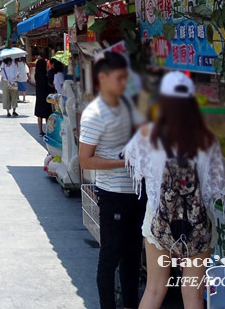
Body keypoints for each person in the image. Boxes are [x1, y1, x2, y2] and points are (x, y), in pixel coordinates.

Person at [125, 71, 225, 309]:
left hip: (158, 218)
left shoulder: (146, 135)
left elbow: (133, 166)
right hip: (198, 221)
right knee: (193, 294)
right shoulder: (208, 139)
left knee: (154, 289)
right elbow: (217, 188)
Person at [78, 51, 146, 309]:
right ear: (103, 78)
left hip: (138, 192)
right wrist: (125, 162)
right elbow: (85, 160)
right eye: (119, 79)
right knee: (110, 257)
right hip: (114, 194)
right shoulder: (94, 114)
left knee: (132, 255)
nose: (123, 84)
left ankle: (130, 304)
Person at [34, 50, 54, 136]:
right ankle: (47, 130)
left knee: (40, 114)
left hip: (39, 95)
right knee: (47, 114)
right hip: (46, 96)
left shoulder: (36, 75)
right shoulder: (45, 75)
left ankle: (40, 131)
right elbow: (48, 85)